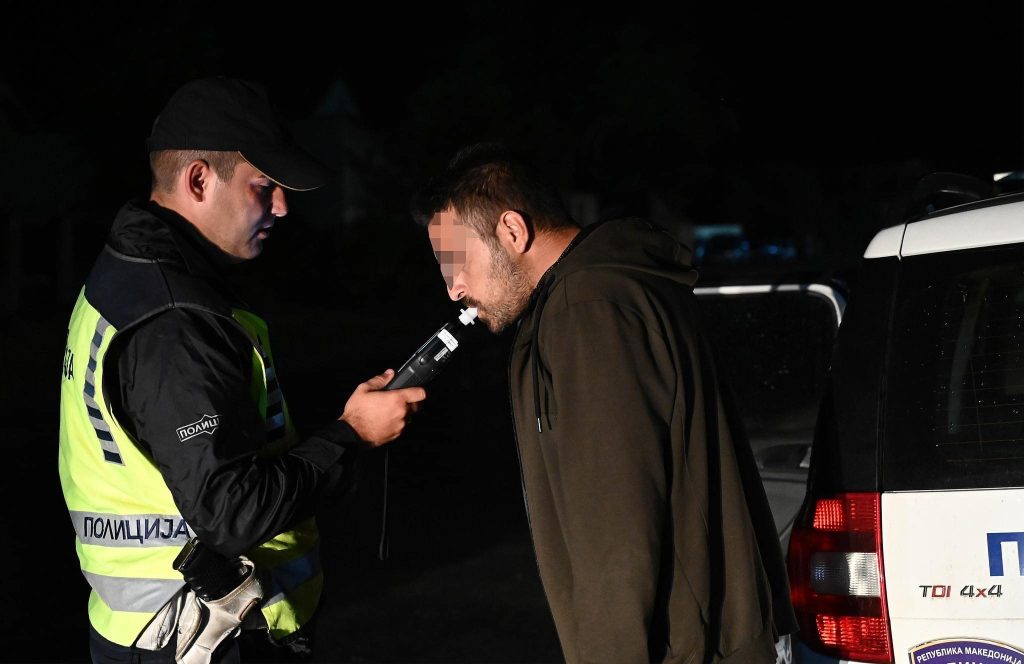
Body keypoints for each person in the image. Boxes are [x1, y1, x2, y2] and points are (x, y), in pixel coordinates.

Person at [58, 76, 426, 663]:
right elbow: (230, 511)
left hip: (155, 633)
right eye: (264, 187)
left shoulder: (131, 275)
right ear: (199, 179)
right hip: (199, 640)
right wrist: (351, 434)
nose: (282, 207)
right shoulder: (174, 320)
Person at [412, 143, 798, 663]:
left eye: (455, 261)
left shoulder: (588, 311)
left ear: (511, 231)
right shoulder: (608, 289)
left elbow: (617, 531)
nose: (454, 287)